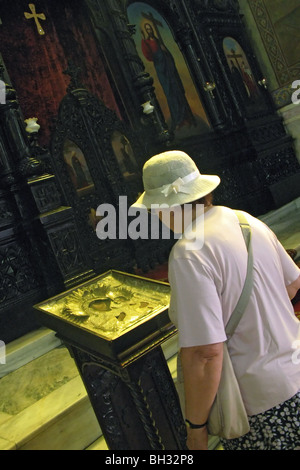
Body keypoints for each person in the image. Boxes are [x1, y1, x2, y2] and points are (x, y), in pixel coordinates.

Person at [132, 150, 300, 450]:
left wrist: (196, 428)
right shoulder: (245, 220)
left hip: (262, 402)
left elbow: (205, 354)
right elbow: (292, 285)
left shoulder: (188, 252)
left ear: (163, 206)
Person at [141, 23, 196, 132]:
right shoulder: (148, 42)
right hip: (162, 72)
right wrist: (157, 52)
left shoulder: (158, 41)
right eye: (147, 29)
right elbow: (149, 56)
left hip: (170, 71)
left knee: (178, 92)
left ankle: (186, 118)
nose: (149, 31)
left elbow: (169, 55)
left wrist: (164, 51)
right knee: (170, 94)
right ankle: (178, 119)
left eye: (150, 29)